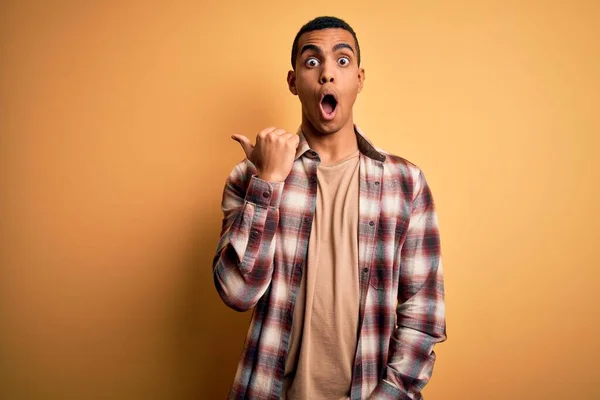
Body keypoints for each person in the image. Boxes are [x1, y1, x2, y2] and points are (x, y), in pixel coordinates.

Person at [212, 16, 447, 400]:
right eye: (311, 62)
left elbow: (422, 316)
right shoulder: (252, 177)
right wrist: (267, 184)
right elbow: (237, 292)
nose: (326, 74)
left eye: (342, 61)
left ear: (359, 78)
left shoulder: (406, 183)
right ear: (293, 82)